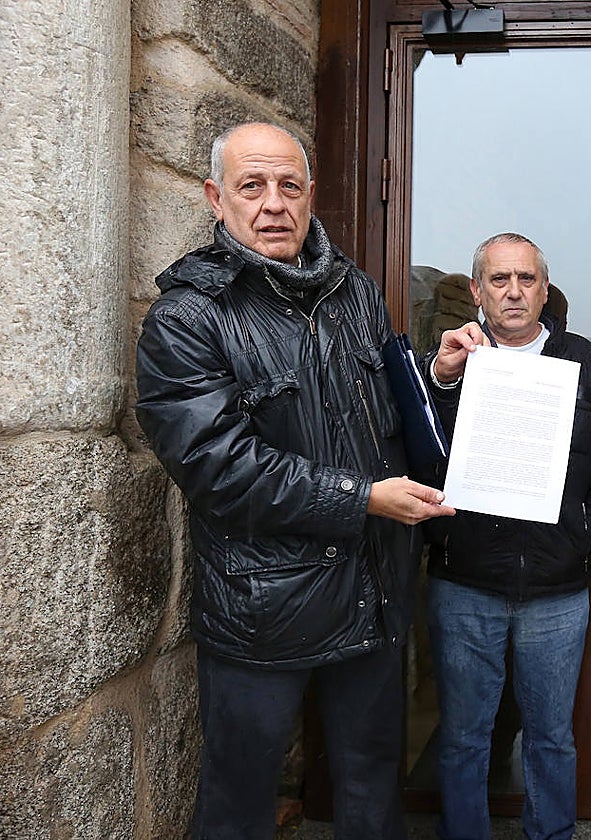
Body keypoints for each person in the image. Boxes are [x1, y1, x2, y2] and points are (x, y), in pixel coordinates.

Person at [135, 122, 454, 839]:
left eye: (288, 185)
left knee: (374, 789)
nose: (273, 203)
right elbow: (220, 469)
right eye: (252, 186)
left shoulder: (357, 292)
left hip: (371, 594)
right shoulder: (187, 317)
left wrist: (435, 376)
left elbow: (385, 420)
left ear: (310, 195)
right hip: (262, 609)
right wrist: (362, 498)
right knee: (239, 800)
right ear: (216, 199)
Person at [424, 232, 591, 840]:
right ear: (476, 292)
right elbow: (414, 445)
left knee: (550, 737)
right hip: (465, 580)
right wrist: (441, 379)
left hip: (556, 586)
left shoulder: (582, 360)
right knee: (465, 737)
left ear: (545, 289)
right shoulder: (451, 359)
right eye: (499, 280)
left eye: (526, 279)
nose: (513, 292)